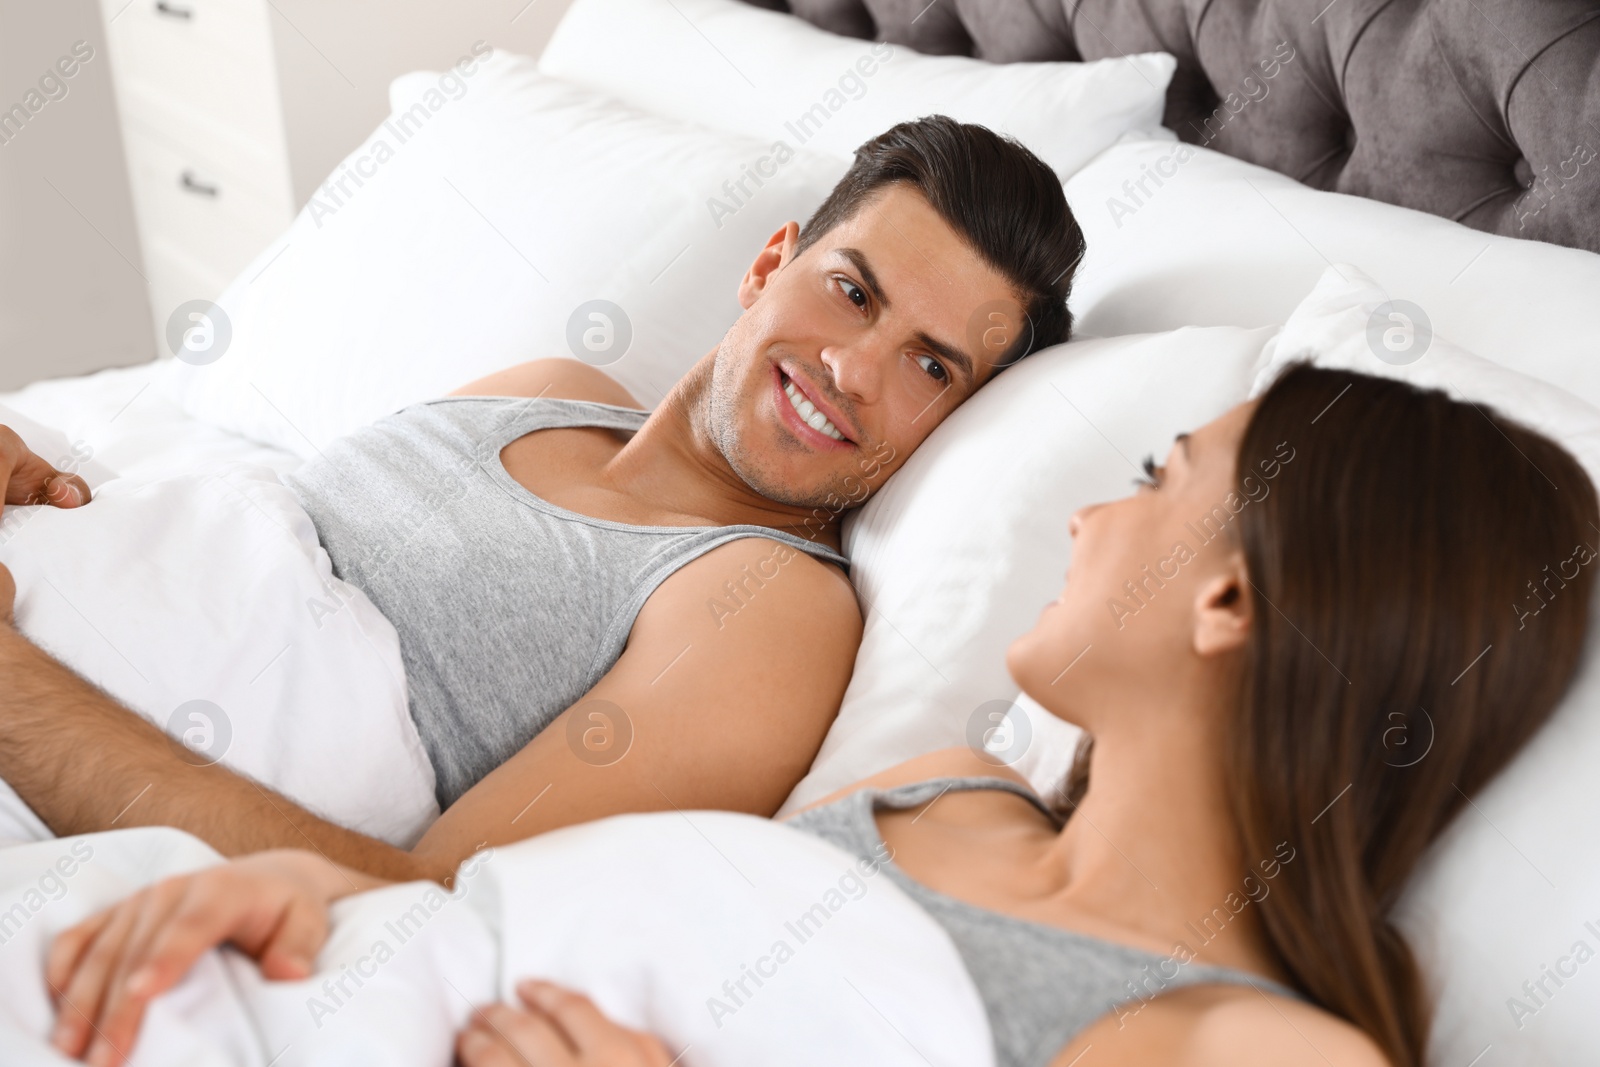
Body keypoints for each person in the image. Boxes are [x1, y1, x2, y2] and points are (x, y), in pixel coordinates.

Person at [40, 364, 1596, 1067]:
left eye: (1152, 481)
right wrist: (317, 890)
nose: (1085, 523)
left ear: (1232, 603)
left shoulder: (1255, 1049)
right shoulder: (939, 788)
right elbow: (540, 929)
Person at [0, 115, 1085, 883]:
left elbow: (426, 909)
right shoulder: (549, 391)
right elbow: (239, 546)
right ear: (767, 264)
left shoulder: (767, 607)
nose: (854, 368)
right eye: (851, 292)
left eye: (929, 366)